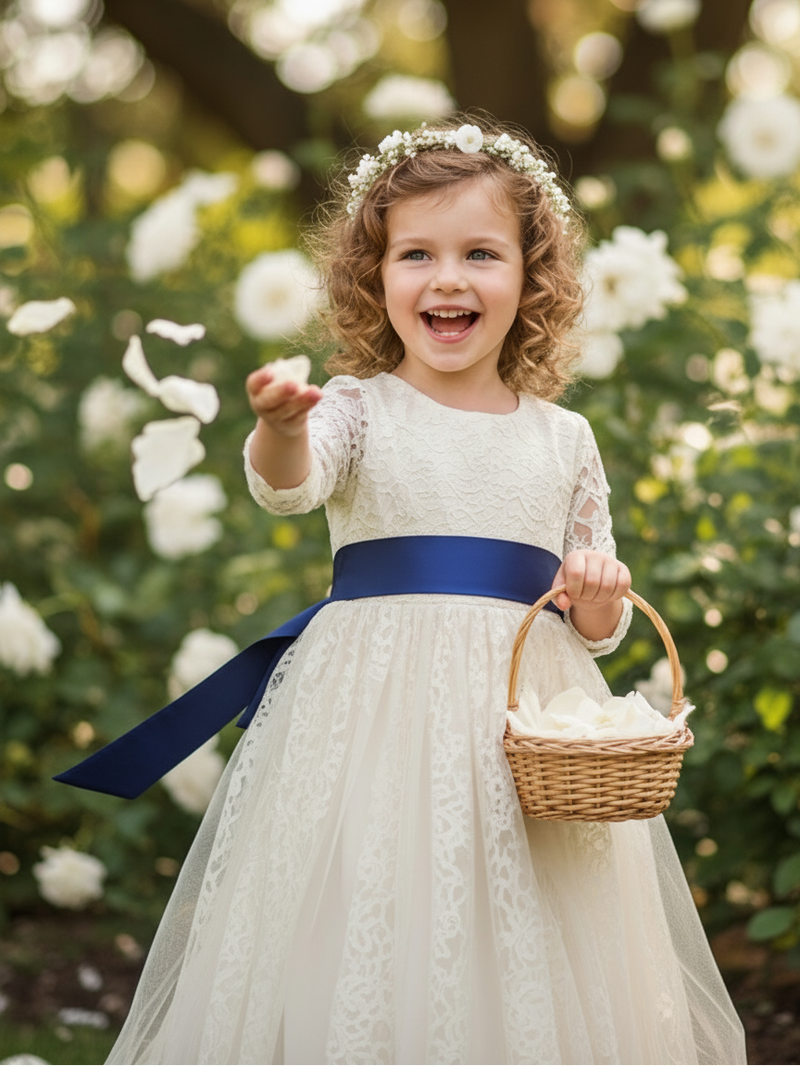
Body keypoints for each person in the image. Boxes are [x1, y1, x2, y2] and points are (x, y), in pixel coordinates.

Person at [100, 117, 746, 1065]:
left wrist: (600, 590)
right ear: (377, 278)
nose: (447, 278)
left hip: (524, 716)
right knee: (377, 891)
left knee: (519, 904)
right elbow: (290, 485)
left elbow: (597, 624)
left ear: (531, 279)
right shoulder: (358, 407)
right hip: (373, 708)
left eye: (480, 253)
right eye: (417, 255)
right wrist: (281, 424)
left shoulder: (562, 438)